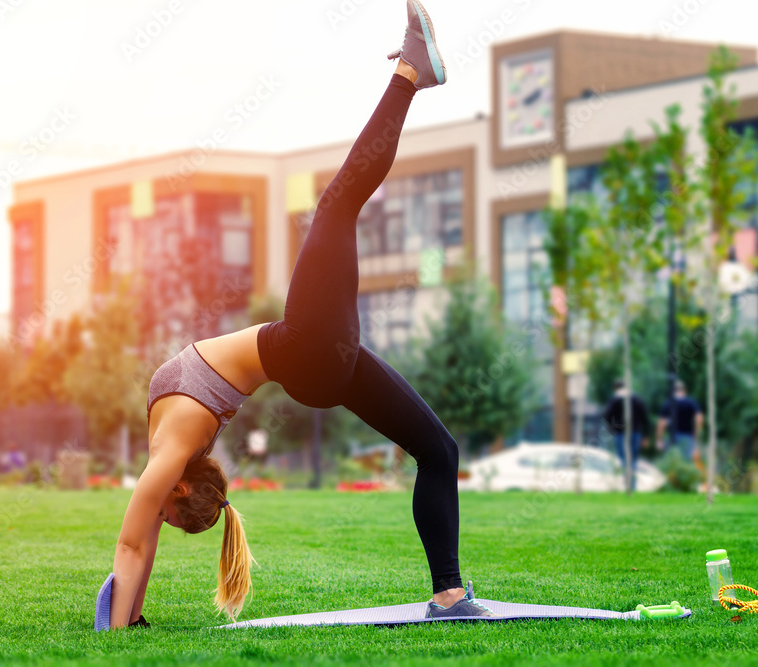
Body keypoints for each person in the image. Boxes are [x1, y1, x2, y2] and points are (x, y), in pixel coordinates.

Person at [96, 1, 495, 630]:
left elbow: (137, 540)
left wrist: (129, 619)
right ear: (181, 488)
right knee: (336, 205)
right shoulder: (173, 448)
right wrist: (120, 625)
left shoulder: (171, 450)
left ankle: (449, 595)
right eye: (170, 516)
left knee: (438, 449)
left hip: (315, 361)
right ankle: (410, 75)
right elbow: (133, 542)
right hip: (305, 350)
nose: (157, 519)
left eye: (165, 515)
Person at [602, 379, 651, 491]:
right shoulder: (636, 399)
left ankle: (628, 483)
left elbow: (606, 416)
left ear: (615, 388)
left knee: (624, 458)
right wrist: (646, 435)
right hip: (635, 432)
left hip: (620, 433)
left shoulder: (615, 400)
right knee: (633, 459)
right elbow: (645, 418)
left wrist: (612, 429)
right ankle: (632, 484)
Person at [656, 380, 703, 463]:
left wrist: (659, 439)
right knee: (685, 463)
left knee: (671, 462)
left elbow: (661, 423)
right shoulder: (691, 402)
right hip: (687, 436)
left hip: (672, 436)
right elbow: (699, 418)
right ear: (685, 390)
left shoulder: (668, 403)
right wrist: (696, 434)